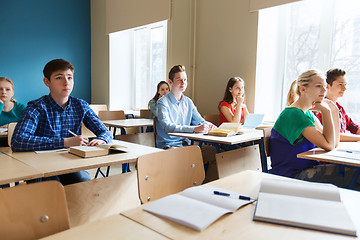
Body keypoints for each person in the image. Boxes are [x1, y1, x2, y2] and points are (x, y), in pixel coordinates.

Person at [11, 59, 113, 185]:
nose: (66, 83)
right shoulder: (36, 107)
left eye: (70, 77)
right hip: (42, 164)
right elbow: (17, 141)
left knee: (83, 184)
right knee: (53, 189)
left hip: (71, 162)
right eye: (59, 78)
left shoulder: (80, 105)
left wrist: (102, 139)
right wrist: (65, 142)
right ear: (47, 82)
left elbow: (105, 131)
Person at [270, 70, 354, 188]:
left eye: (324, 86)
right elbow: (329, 145)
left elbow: (333, 142)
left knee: (353, 172)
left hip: (304, 171)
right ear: (303, 89)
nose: (324, 90)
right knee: (355, 174)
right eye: (319, 86)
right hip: (291, 177)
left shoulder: (307, 113)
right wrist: (326, 111)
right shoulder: (295, 115)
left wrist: (332, 110)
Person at [156, 64, 216, 149]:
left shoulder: (188, 102)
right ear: (170, 82)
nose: (183, 83)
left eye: (185, 80)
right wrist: (194, 129)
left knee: (213, 151)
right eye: (179, 80)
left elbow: (200, 122)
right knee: (196, 155)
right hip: (169, 145)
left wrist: (214, 128)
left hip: (186, 144)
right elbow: (168, 127)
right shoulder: (162, 102)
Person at [315, 68, 360, 141]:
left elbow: (354, 128)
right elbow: (333, 136)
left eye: (345, 84)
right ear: (327, 86)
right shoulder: (321, 108)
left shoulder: (339, 108)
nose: (344, 88)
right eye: (340, 84)